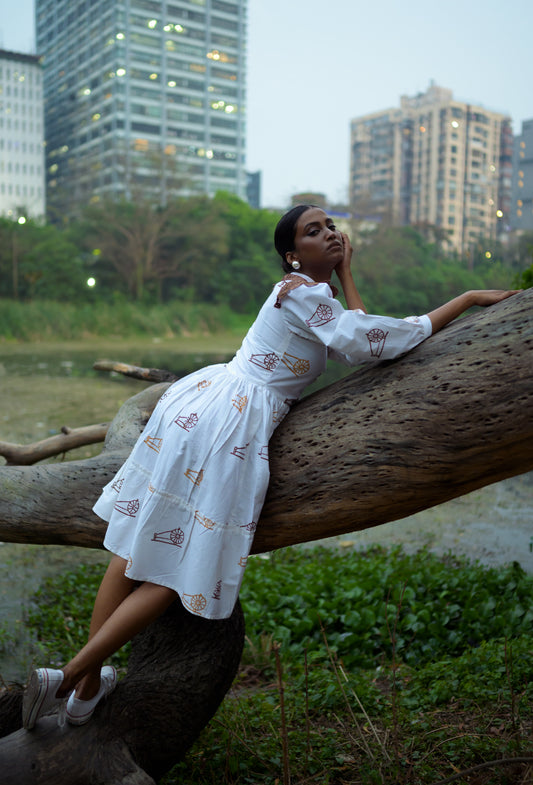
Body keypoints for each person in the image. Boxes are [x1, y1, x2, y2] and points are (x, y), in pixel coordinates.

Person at [22, 205, 520, 729]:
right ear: (292, 256)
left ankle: (83, 692)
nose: (329, 234)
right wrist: (464, 301)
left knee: (130, 550)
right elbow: (373, 341)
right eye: (313, 231)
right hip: (231, 424)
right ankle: (69, 675)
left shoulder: (309, 295)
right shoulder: (301, 291)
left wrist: (348, 274)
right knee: (173, 570)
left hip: (205, 403)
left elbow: (358, 334)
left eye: (330, 226)